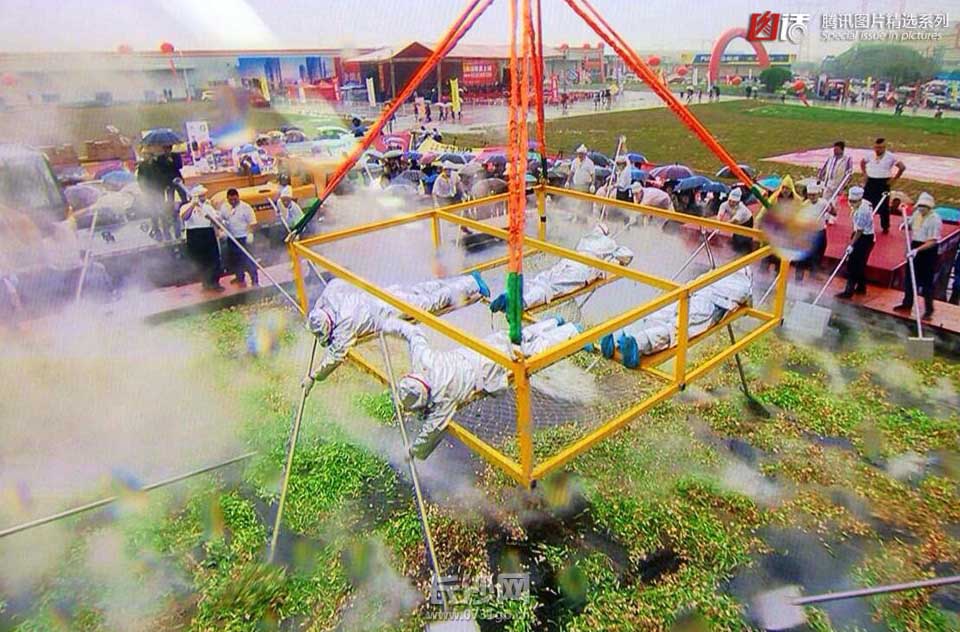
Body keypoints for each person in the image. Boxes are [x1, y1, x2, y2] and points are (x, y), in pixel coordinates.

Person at [385, 316, 581, 459]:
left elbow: (432, 431)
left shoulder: (443, 398)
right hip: (478, 350)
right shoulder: (423, 361)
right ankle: (554, 322)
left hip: (488, 368)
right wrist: (390, 324)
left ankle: (573, 332)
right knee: (517, 337)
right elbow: (413, 333)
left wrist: (412, 452)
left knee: (530, 352)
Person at [302, 271, 491, 389]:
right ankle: (463, 279)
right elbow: (334, 284)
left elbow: (336, 355)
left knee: (435, 301)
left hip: (396, 308)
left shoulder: (345, 324)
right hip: (387, 294)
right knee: (424, 289)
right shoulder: (331, 296)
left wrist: (314, 376)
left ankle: (472, 284)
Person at [600, 269, 752, 368]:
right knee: (678, 328)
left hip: (689, 294)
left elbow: (695, 281)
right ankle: (639, 343)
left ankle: (617, 335)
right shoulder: (745, 285)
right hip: (710, 305)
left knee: (657, 315)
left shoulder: (716, 273)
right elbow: (746, 301)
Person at [489, 224, 634, 312]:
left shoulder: (587, 238)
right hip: (584, 269)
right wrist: (615, 254)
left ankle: (512, 295)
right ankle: (522, 303)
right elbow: (627, 255)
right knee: (553, 288)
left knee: (544, 277)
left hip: (570, 259)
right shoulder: (609, 244)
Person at [894, 192, 942, 320]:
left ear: (929, 207)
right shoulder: (917, 214)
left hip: (927, 250)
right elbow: (910, 223)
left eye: (924, 207)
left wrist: (917, 250)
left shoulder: (934, 220)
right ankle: (907, 303)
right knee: (910, 277)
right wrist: (905, 223)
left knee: (926, 281)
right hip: (915, 245)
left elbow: (933, 241)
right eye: (920, 206)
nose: (921, 209)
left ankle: (928, 310)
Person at [179, 185, 223, 291]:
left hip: (207, 232)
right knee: (200, 260)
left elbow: (217, 221)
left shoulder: (207, 207)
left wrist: (215, 221)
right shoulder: (185, 206)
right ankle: (206, 282)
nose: (203, 197)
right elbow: (184, 217)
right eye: (201, 196)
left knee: (213, 258)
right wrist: (193, 205)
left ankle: (215, 282)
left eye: (204, 195)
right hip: (194, 233)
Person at [836, 186, 875, 298]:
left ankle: (849, 291)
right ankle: (861, 287)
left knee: (854, 264)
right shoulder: (863, 204)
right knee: (860, 264)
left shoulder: (862, 212)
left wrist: (851, 245)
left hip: (864, 238)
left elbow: (860, 231)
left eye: (854, 201)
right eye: (850, 201)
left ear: (860, 200)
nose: (851, 203)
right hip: (859, 234)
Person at [861, 138, 906, 234]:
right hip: (871, 181)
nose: (878, 150)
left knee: (884, 206)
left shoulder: (891, 156)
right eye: (876, 147)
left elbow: (902, 167)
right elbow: (862, 162)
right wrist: (865, 174)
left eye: (880, 148)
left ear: (884, 148)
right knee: (865, 203)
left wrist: (894, 179)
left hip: (883, 182)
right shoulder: (870, 155)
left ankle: (885, 226)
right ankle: (863, 224)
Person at [793, 183, 836, 280]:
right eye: (810, 195)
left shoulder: (824, 203)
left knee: (818, 254)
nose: (812, 197)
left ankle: (814, 274)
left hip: (820, 232)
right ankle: (798, 278)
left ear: (818, 194)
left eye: (814, 195)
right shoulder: (804, 205)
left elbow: (834, 213)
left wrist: (831, 207)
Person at [219, 188, 259, 287]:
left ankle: (254, 279)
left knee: (248, 260)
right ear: (227, 199)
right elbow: (220, 220)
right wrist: (222, 231)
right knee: (235, 260)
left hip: (244, 237)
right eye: (230, 200)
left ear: (238, 197)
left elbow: (253, 223)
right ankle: (239, 277)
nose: (233, 201)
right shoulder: (224, 207)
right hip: (232, 238)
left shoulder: (246, 207)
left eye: (234, 199)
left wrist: (250, 234)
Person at [716, 188, 755, 253]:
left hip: (746, 221)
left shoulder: (742, 209)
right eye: (730, 200)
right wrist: (718, 225)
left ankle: (748, 254)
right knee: (736, 238)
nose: (731, 203)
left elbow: (734, 221)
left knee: (745, 238)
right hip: (735, 221)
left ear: (738, 202)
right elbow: (720, 215)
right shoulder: (724, 204)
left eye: (733, 202)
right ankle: (736, 252)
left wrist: (722, 226)